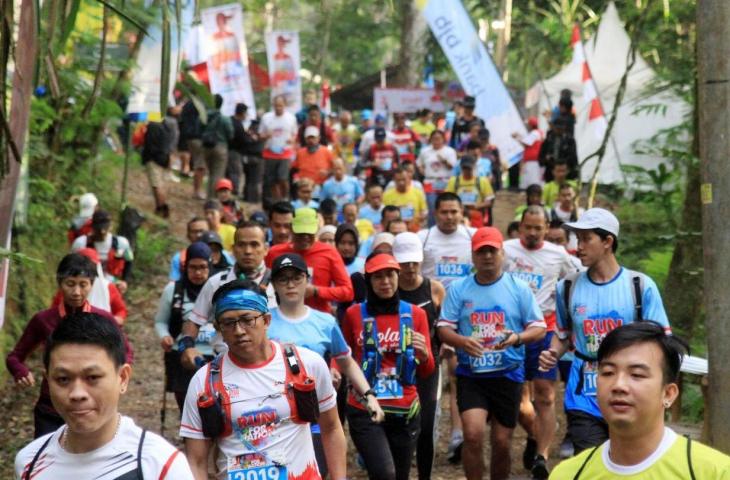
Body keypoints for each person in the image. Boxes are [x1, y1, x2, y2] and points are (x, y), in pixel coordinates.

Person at [180, 280, 347, 479]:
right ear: (219, 329)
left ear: (266, 320)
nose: (239, 331)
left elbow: (331, 428)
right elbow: (196, 460)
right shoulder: (203, 382)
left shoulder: (307, 364)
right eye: (228, 323)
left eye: (247, 319)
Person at [539, 208, 670, 454]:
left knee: (627, 463)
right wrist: (552, 353)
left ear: (608, 241)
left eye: (586, 238)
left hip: (629, 394)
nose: (579, 246)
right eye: (578, 239)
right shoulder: (567, 287)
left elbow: (663, 341)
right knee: (590, 459)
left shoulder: (640, 287)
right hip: (583, 393)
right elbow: (563, 333)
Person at [14, 313, 193, 478]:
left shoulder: (159, 464)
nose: (77, 394)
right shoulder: (30, 462)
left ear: (122, 378)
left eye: (92, 377)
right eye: (63, 379)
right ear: (47, 381)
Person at [550, 322, 730, 479]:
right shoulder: (569, 474)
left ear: (668, 394)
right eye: (608, 373)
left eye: (636, 374)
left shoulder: (714, 473)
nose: (618, 385)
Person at [437, 227, 547, 480]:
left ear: (502, 253)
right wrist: (462, 341)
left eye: (492, 251)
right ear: (473, 256)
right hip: (472, 374)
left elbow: (539, 327)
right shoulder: (458, 289)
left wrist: (517, 338)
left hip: (507, 374)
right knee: (473, 435)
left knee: (501, 441)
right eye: (481, 251)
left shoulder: (518, 288)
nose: (487, 256)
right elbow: (443, 327)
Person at [266, 253, 385, 476]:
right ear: (274, 284)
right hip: (276, 420)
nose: (290, 285)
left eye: (296, 278)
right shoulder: (264, 322)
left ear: (307, 279)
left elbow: (346, 362)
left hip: (316, 417)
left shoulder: (325, 322)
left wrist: (369, 395)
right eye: (283, 279)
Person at [6, 254, 133, 437]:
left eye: (83, 284)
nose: (76, 292)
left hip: (92, 409)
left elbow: (126, 354)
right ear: (59, 283)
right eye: (70, 283)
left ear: (92, 284)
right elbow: (15, 357)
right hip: (51, 410)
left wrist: (112, 381)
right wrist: (20, 371)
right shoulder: (43, 320)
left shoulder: (104, 319)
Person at [342, 253, 435, 480]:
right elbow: (343, 357)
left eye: (390, 275)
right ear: (368, 281)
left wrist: (424, 356)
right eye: (378, 277)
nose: (385, 282)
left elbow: (426, 370)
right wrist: (335, 371)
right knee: (384, 473)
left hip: (405, 408)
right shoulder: (354, 314)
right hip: (365, 407)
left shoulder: (416, 314)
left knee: (399, 475)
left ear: (398, 276)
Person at [503, 206, 579, 479]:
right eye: (528, 227)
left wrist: (571, 315)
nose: (533, 233)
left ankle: (541, 457)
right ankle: (534, 436)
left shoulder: (558, 255)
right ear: (520, 226)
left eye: (539, 228)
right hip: (511, 333)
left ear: (547, 229)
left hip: (545, 331)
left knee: (546, 395)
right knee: (517, 401)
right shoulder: (506, 250)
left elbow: (580, 278)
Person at [180, 221, 273, 369]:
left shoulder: (278, 284)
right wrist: (187, 347)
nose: (248, 251)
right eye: (241, 245)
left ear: (266, 249)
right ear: (233, 249)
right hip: (225, 364)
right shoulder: (216, 283)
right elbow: (194, 321)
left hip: (270, 364)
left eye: (254, 244)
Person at [393, 233, 446, 480]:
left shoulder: (433, 288)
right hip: (394, 366)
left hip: (428, 364)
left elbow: (445, 326)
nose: (410, 268)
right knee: (399, 424)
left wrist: (447, 346)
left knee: (425, 426)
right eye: (404, 263)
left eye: (414, 261)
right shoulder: (388, 291)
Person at [155, 242, 214, 411]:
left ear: (210, 266)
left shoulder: (219, 288)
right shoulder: (173, 290)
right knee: (187, 401)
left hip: (212, 354)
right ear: (185, 267)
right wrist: (164, 335)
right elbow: (161, 321)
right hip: (181, 355)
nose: (197, 273)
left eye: (202, 267)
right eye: (192, 267)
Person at [266, 208, 353, 313]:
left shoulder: (329, 252)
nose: (305, 237)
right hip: (282, 318)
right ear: (292, 229)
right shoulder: (275, 252)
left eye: (309, 232)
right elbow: (265, 287)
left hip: (319, 321)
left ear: (316, 229)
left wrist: (316, 291)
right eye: (301, 233)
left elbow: (348, 292)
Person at [51, 248, 128, 326]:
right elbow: (54, 312)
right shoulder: (67, 290)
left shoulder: (108, 287)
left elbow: (121, 310)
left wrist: (115, 320)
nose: (76, 292)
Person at [418, 192, 475, 287]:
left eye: (454, 212)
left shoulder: (473, 236)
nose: (449, 217)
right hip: (432, 297)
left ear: (461, 212)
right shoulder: (422, 238)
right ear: (435, 213)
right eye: (444, 212)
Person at [71, 210, 134, 294]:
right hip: (88, 289)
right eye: (99, 229)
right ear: (92, 227)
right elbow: (71, 267)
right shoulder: (81, 244)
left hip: (113, 288)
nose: (102, 232)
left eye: (105, 229)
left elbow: (129, 261)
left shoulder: (121, 243)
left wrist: (124, 281)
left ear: (110, 227)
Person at [260, 95, 298, 206]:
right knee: (271, 180)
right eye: (276, 106)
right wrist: (266, 135)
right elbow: (260, 134)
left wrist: (292, 140)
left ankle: (286, 197)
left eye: (280, 106)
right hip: (270, 153)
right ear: (273, 105)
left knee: (282, 177)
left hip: (285, 153)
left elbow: (295, 134)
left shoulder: (291, 118)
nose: (278, 108)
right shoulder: (266, 118)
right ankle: (277, 201)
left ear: (285, 106)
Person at [417, 129, 458, 225]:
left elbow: (452, 166)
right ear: (430, 139)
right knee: (432, 207)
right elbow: (419, 163)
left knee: (446, 207)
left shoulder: (450, 151)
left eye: (439, 139)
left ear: (443, 139)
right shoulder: (425, 151)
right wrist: (422, 171)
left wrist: (443, 160)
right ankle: (432, 228)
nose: (436, 141)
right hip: (430, 181)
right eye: (434, 139)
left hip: (445, 181)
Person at [446, 154, 495, 227]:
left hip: (476, 215)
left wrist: (476, 206)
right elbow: (447, 199)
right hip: (458, 216)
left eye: (469, 168)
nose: (467, 171)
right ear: (461, 167)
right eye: (465, 168)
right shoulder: (454, 181)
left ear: (475, 167)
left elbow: (490, 201)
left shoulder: (482, 181)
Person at [202, 94, 234, 199]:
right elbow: (231, 134)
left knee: (210, 173)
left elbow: (198, 128)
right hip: (220, 146)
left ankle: (209, 196)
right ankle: (213, 198)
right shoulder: (224, 119)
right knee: (217, 173)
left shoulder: (204, 116)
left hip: (206, 146)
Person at [141, 119, 172, 217]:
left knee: (156, 184)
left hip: (154, 158)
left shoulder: (153, 126)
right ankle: (162, 206)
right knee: (161, 183)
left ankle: (161, 207)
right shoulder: (167, 125)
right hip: (164, 157)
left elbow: (149, 144)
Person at [383, 166, 428, 232]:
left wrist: (418, 218)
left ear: (409, 178)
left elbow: (424, 211)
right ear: (394, 180)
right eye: (398, 180)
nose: (401, 183)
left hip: (414, 230)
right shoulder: (387, 195)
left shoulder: (418, 193)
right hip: (394, 231)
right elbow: (383, 215)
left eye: (404, 179)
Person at [539, 116, 578, 182]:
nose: (559, 130)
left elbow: (573, 156)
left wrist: (562, 164)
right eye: (557, 128)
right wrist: (546, 159)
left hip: (564, 170)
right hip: (550, 170)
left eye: (561, 128)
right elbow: (542, 154)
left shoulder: (569, 140)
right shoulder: (549, 139)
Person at [170, 216, 209, 281]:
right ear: (188, 235)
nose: (198, 235)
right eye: (194, 232)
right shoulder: (179, 258)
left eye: (202, 231)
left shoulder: (222, 255)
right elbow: (174, 282)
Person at [513, 116, 545, 190]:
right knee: (530, 176)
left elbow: (526, 143)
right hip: (532, 160)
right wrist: (518, 136)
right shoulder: (535, 133)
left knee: (533, 177)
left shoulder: (535, 133)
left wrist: (517, 137)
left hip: (533, 160)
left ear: (531, 125)